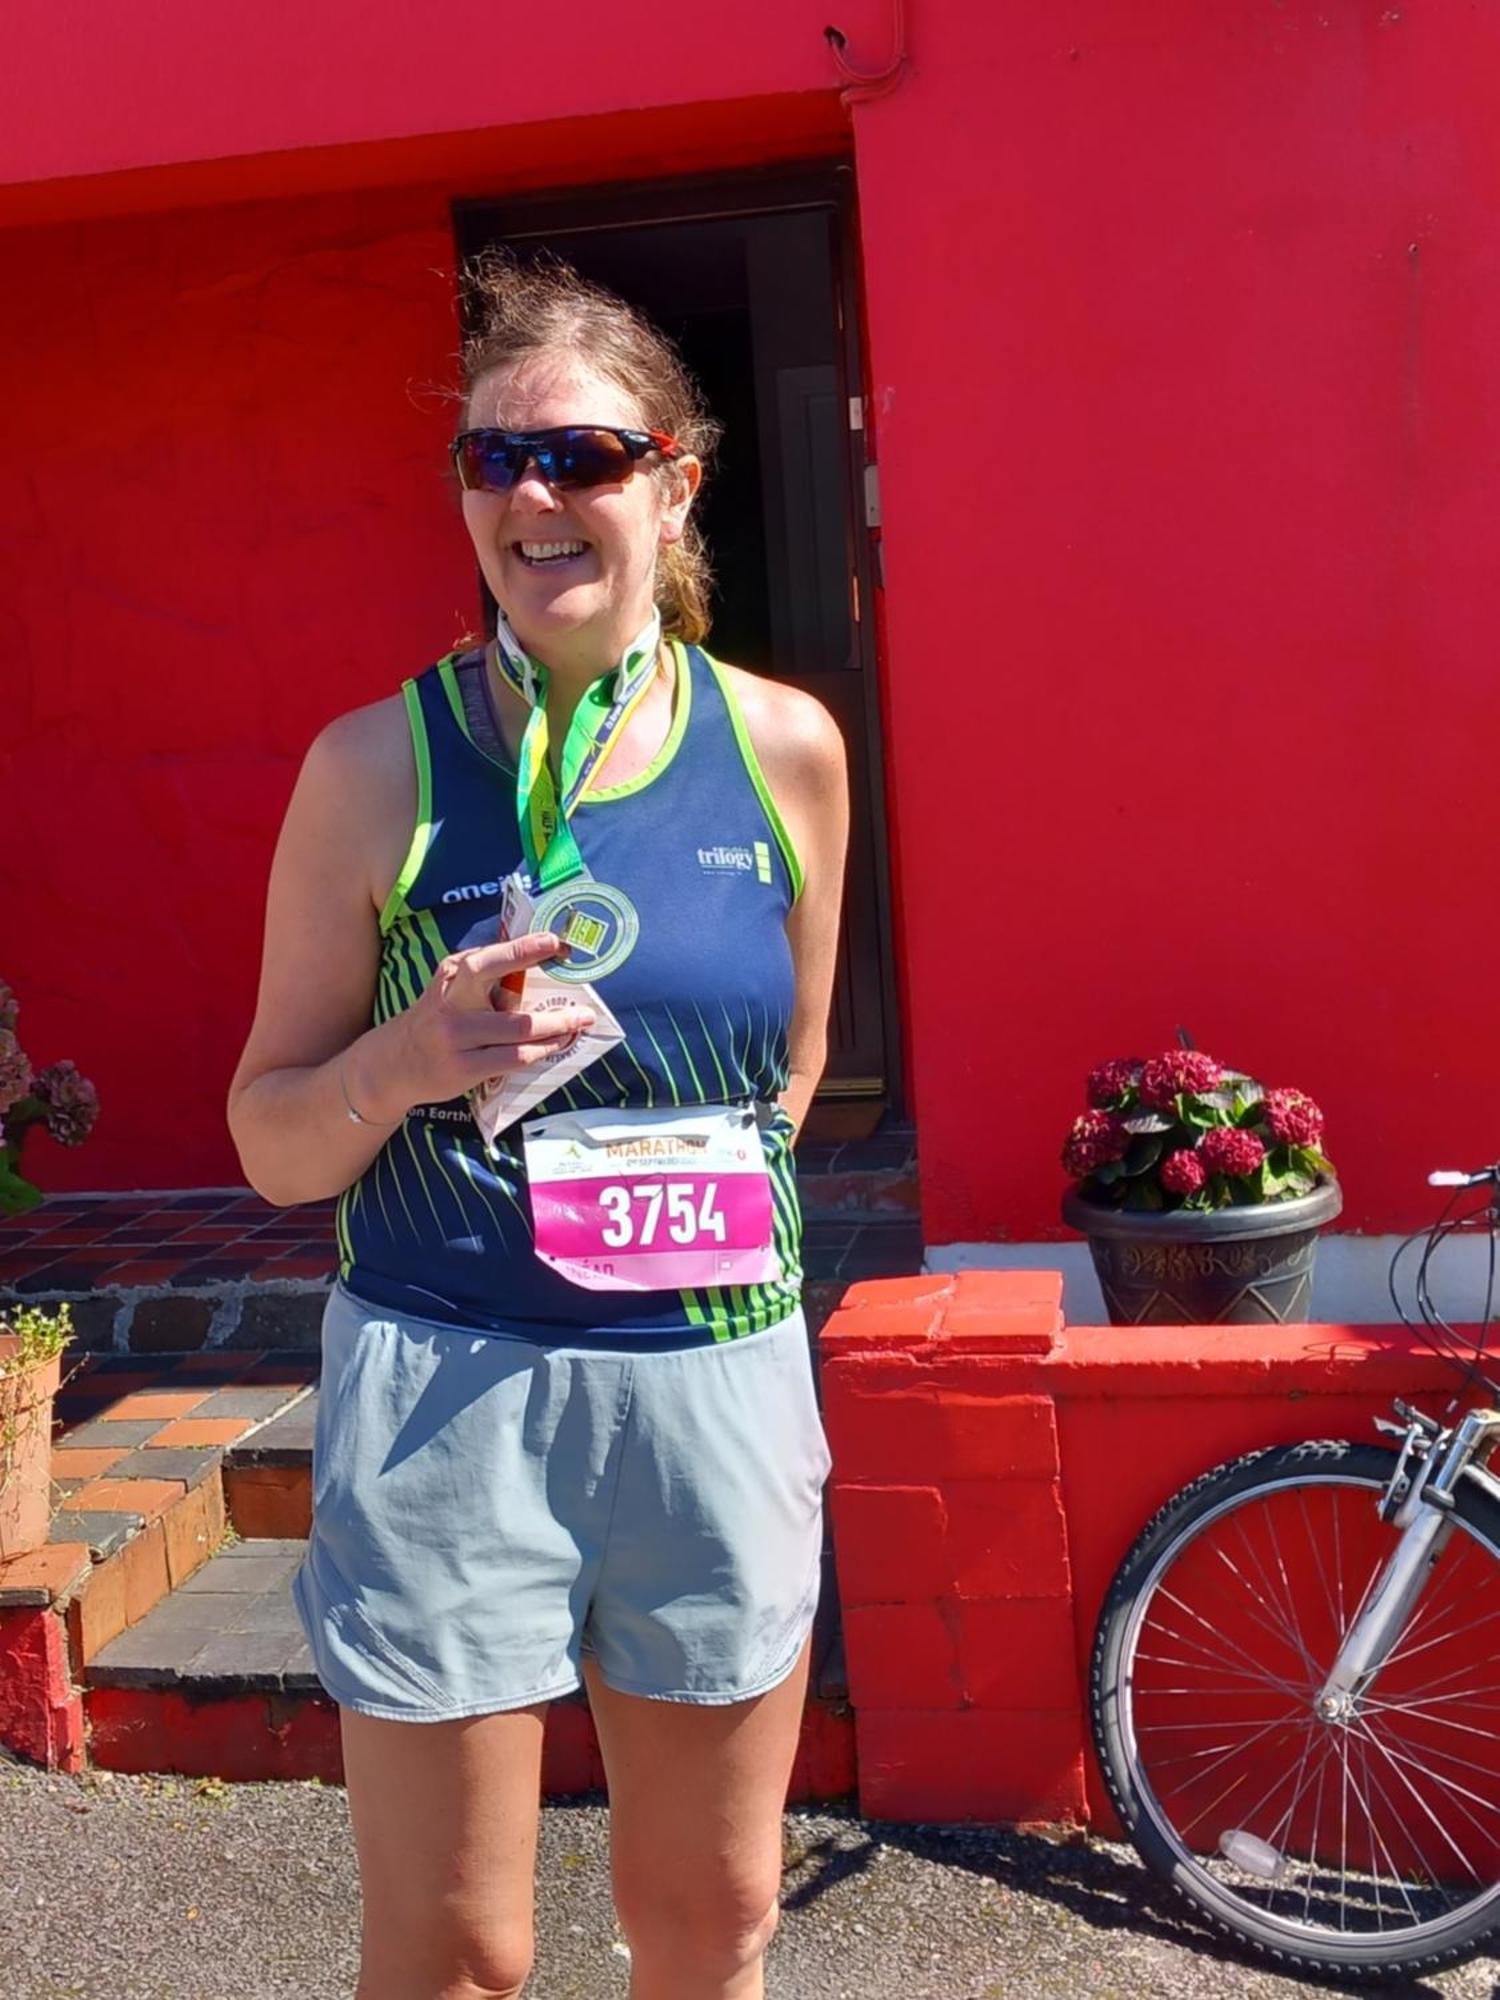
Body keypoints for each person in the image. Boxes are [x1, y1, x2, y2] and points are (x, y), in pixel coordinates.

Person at [227, 251, 850, 2000]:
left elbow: (792, 1074)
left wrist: (665, 1189)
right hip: (452, 1385)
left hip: (712, 1387)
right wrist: (412, 1061)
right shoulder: (375, 769)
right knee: (458, 1956)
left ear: (673, 478)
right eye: (493, 464)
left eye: (577, 455)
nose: (533, 498)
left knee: (713, 1922)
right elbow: (275, 1143)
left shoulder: (789, 748)